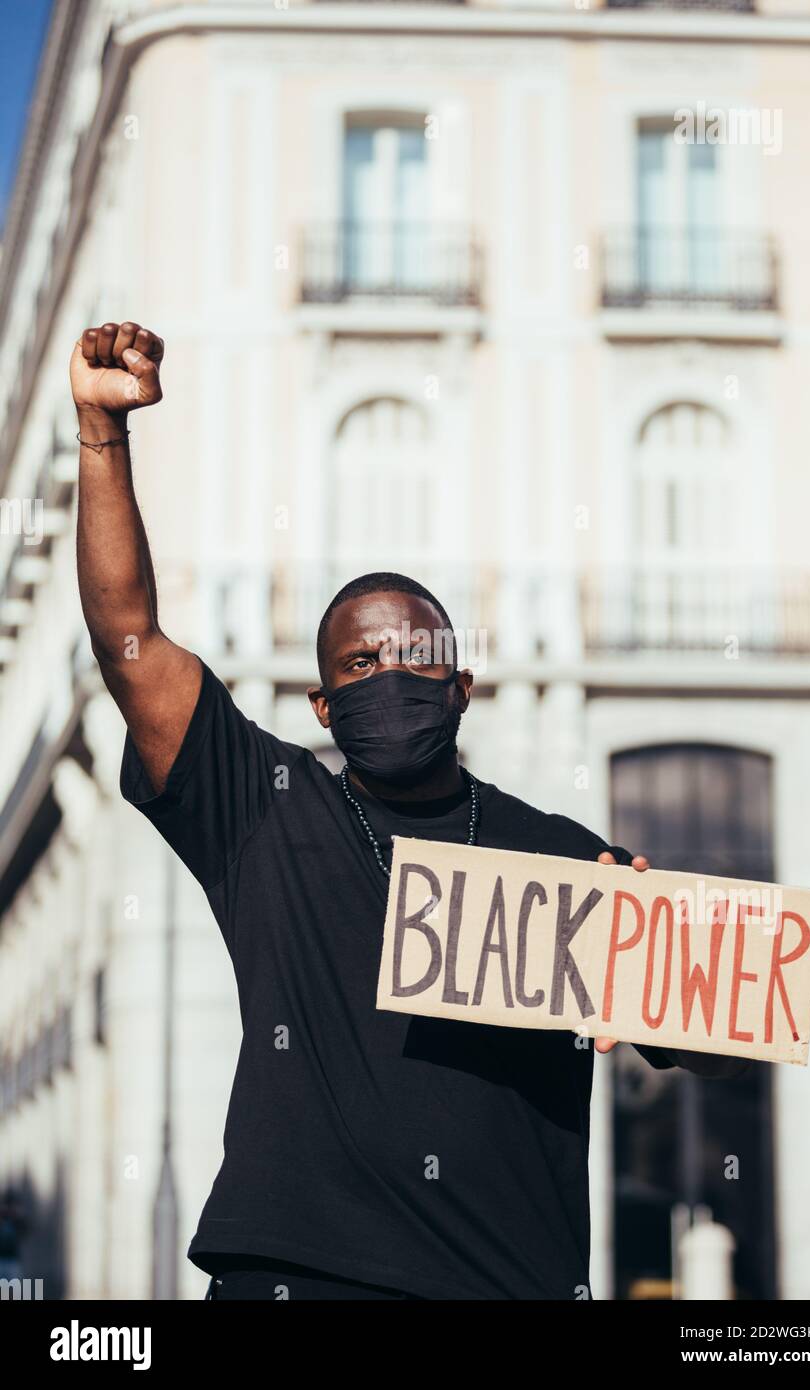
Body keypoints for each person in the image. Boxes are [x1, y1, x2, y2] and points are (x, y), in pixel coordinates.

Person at [71, 322, 748, 1302]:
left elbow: (715, 1046)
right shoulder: (261, 809)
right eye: (358, 663)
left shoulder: (560, 858)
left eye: (413, 657)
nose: (388, 675)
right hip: (293, 1278)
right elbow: (127, 635)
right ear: (320, 705)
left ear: (460, 684)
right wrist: (101, 431)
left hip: (504, 1283)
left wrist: (673, 984)